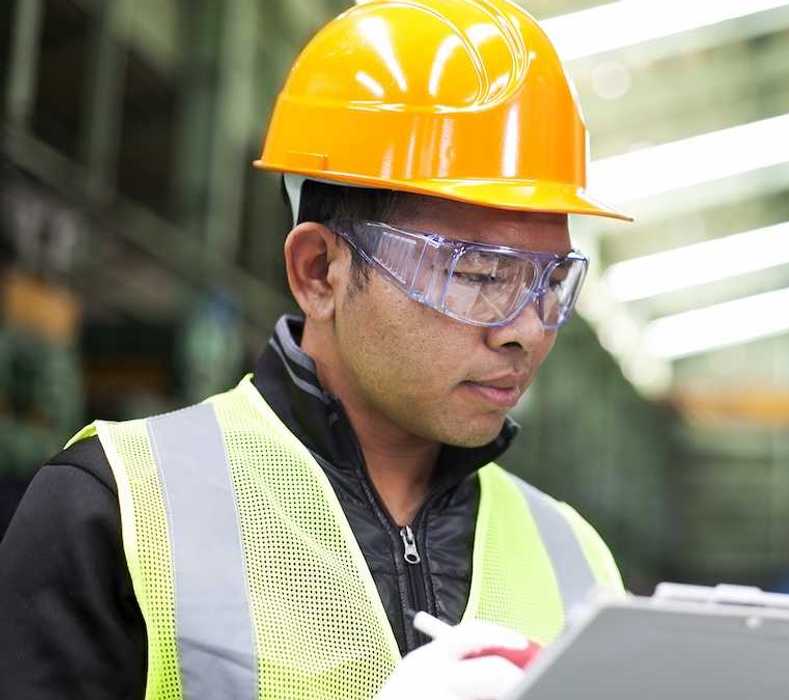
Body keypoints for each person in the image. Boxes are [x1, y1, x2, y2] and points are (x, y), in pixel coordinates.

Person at [0, 1, 631, 697]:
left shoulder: (577, 560)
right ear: (319, 272)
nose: (527, 328)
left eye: (551, 282)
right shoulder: (121, 509)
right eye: (477, 275)